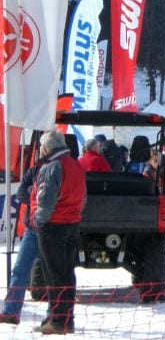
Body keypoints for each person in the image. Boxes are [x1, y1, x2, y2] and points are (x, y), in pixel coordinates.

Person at [31, 130, 86, 334]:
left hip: (53, 225)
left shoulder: (52, 167)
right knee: (66, 272)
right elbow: (84, 197)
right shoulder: (75, 165)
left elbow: (45, 201)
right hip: (72, 224)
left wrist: (38, 222)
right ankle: (64, 318)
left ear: (47, 147)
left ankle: (57, 321)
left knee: (54, 274)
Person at [0, 157, 45, 325]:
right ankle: (10, 310)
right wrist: (35, 203)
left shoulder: (62, 168)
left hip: (53, 229)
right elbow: (20, 192)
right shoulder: (35, 169)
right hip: (32, 228)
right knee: (20, 269)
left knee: (57, 273)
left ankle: (58, 315)